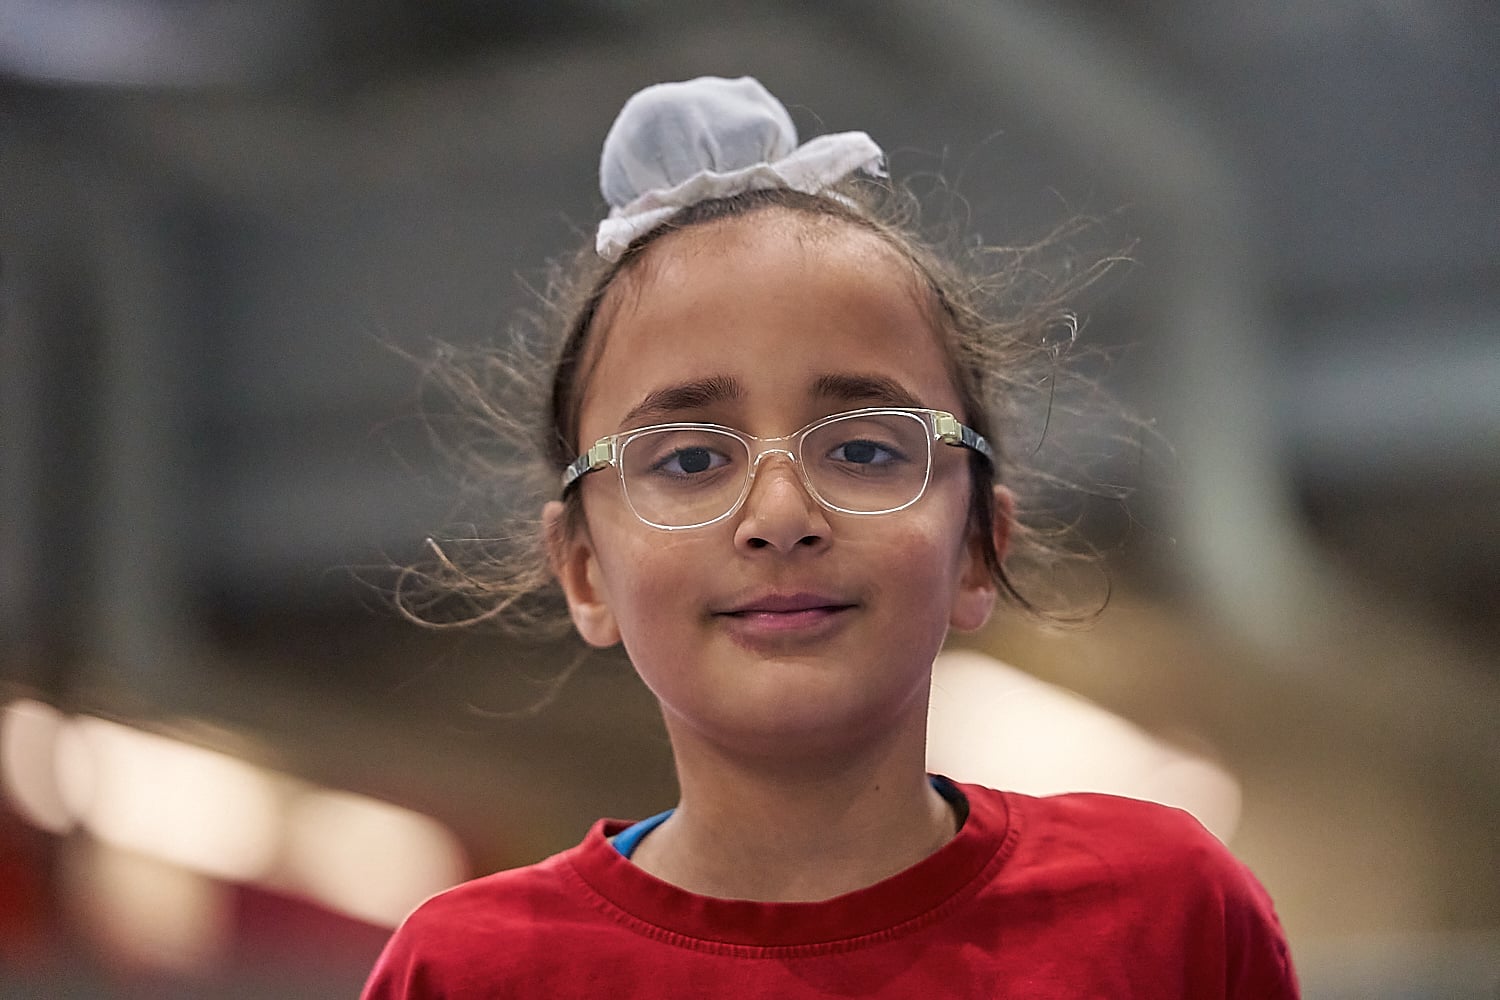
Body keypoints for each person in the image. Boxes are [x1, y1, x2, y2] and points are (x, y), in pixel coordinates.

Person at [362, 76, 1299, 998]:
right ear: (584, 572)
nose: (780, 517)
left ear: (978, 544)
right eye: (690, 461)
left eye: (861, 450)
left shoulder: (1165, 915)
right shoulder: (472, 974)